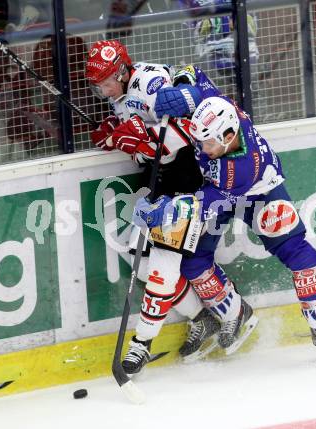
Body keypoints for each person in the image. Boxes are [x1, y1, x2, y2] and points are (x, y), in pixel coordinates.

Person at [135, 96, 316, 358]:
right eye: (201, 142)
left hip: (259, 193)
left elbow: (207, 205)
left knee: (298, 252)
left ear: (227, 136)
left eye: (209, 143)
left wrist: (167, 210)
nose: (202, 149)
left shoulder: (240, 168)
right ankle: (234, 312)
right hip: (215, 190)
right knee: (192, 262)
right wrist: (184, 91)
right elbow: (201, 84)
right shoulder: (224, 115)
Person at [85, 40, 240, 374]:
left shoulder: (150, 83)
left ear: (123, 71)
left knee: (162, 267)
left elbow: (193, 129)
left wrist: (146, 136)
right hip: (161, 179)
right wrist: (116, 134)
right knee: (135, 256)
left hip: (188, 179)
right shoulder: (121, 97)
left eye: (107, 83)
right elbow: (140, 138)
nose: (104, 91)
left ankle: (141, 346)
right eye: (98, 87)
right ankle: (203, 318)